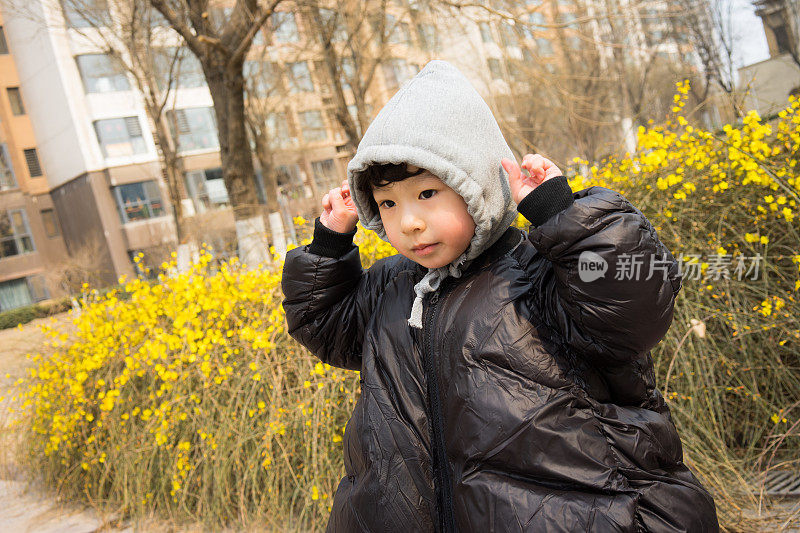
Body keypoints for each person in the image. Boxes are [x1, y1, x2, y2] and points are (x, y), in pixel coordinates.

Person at [281, 60, 718, 532]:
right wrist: (329, 245)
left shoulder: (540, 269)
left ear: (479, 187)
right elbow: (326, 328)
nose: (408, 221)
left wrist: (561, 216)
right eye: (388, 203)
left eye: (427, 194)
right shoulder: (390, 285)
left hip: (568, 514)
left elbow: (630, 310)